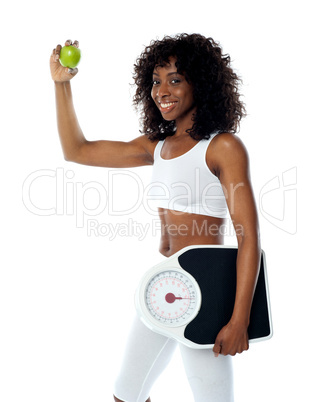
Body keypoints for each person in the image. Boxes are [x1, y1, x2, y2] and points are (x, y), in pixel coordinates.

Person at [50, 33, 261, 402]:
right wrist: (61, 86)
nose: (162, 89)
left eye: (175, 79)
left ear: (202, 83)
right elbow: (77, 150)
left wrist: (239, 317)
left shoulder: (222, 147)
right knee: (126, 393)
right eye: (156, 80)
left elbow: (249, 238)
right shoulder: (156, 146)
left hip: (204, 290)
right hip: (163, 287)